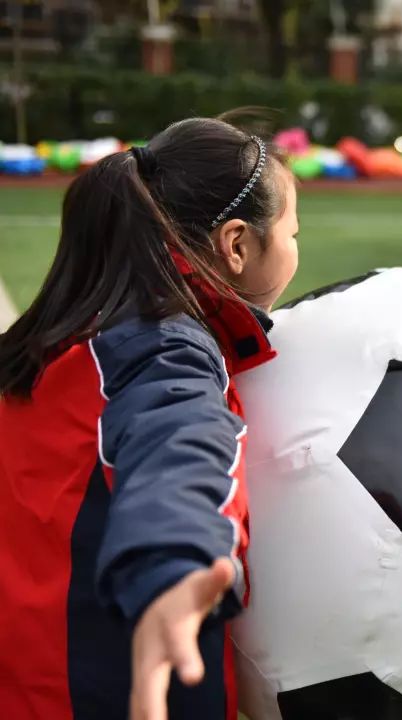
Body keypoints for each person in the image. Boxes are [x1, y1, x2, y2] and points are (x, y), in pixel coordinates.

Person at [0, 114, 300, 720]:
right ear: (237, 245)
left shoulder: (74, 334)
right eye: (294, 231)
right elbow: (178, 445)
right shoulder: (166, 348)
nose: (297, 246)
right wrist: (176, 565)